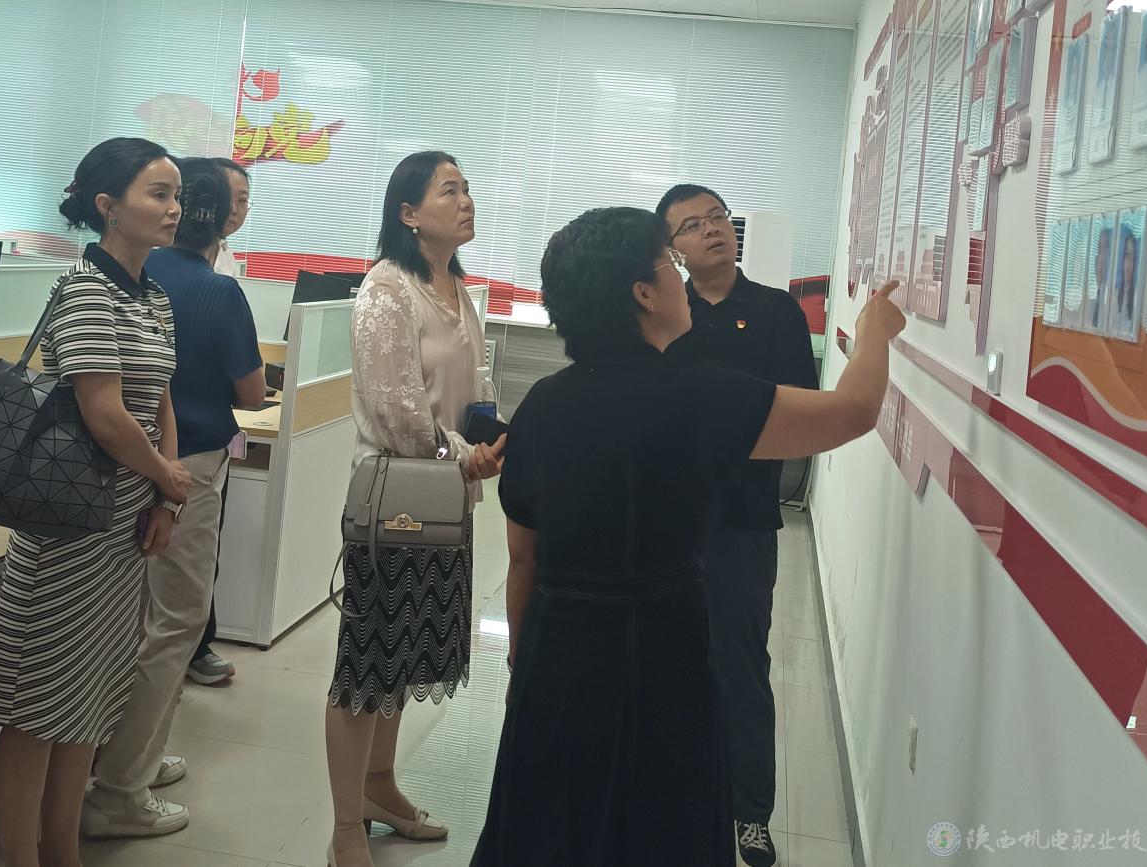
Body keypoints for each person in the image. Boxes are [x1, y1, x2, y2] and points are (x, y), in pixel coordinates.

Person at [471, 207, 906, 867]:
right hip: (662, 652)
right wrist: (873, 333)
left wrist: (520, 666)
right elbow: (852, 411)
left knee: (553, 829)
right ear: (644, 294)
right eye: (669, 264)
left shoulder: (541, 405)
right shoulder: (700, 396)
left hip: (556, 657)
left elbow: (523, 557)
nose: (681, 277)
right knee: (662, 830)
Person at [0, 137, 192, 867]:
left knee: (86, 700)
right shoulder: (84, 290)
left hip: (123, 529)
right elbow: (105, 414)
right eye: (158, 193)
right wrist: (166, 476)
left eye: (177, 194)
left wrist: (165, 497)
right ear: (108, 206)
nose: (174, 207)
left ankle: (63, 850)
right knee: (34, 709)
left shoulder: (153, 297)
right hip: (66, 526)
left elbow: (159, 401)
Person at [325, 150, 506, 867]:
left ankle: (380, 787)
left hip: (446, 496)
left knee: (404, 655)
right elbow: (397, 411)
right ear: (408, 213)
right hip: (398, 500)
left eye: (467, 188)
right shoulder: (386, 289)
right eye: (449, 190)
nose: (466, 201)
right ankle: (345, 827)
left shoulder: (456, 287)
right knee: (366, 664)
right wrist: (464, 454)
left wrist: (489, 441)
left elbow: (474, 386)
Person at [82, 157, 266, 838]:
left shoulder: (139, 278)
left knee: (130, 620)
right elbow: (252, 393)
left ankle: (128, 754)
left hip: (125, 465)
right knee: (177, 621)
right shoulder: (216, 292)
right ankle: (120, 788)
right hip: (181, 468)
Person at [657, 183, 818, 867]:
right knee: (667, 660)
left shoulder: (777, 310)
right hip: (668, 518)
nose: (712, 230)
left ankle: (750, 812)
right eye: (693, 225)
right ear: (674, 249)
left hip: (744, 521)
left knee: (742, 665)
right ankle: (672, 797)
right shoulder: (667, 311)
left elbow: (798, 409)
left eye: (718, 217)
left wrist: (718, 429)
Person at [184, 155, 255, 688]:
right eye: (229, 198)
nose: (235, 209)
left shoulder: (227, 263)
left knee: (196, 558)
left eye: (244, 200)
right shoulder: (192, 273)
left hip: (201, 433)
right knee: (183, 572)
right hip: (190, 444)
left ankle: (196, 645)